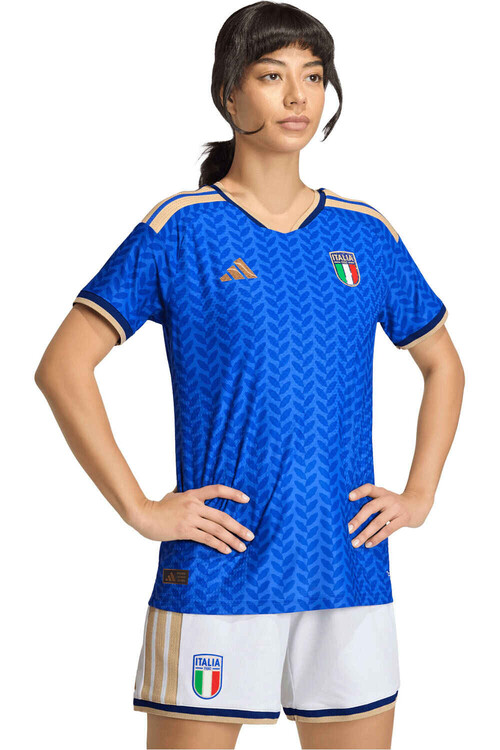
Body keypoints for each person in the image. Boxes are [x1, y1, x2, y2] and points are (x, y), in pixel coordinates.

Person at [34, 2, 465, 749]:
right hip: (220, 567)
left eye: (314, 76)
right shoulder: (183, 227)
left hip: (348, 567)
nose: (298, 96)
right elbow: (62, 366)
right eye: (272, 75)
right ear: (229, 95)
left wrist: (420, 493)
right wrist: (140, 508)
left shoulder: (365, 233)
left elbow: (443, 364)